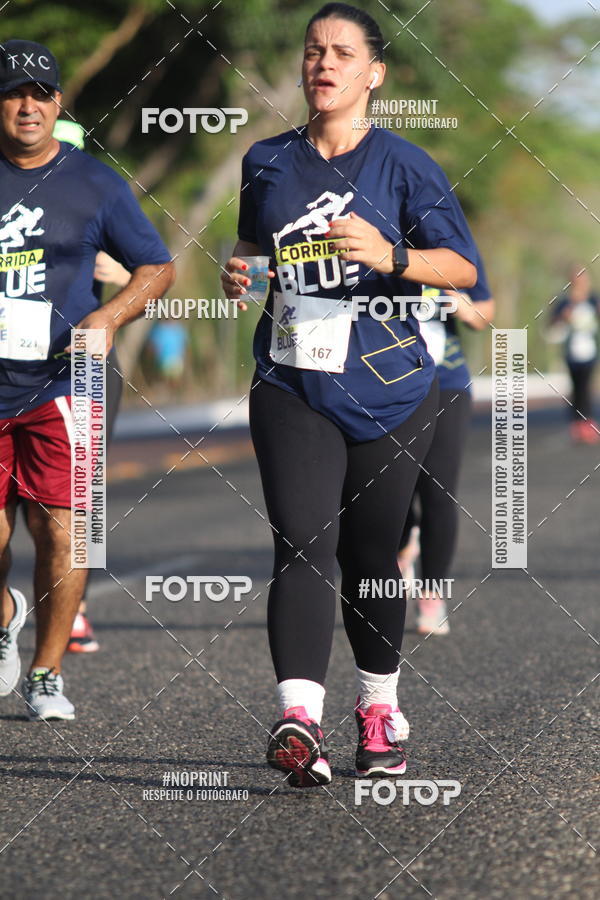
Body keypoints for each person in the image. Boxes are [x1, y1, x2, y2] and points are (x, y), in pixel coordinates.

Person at [221, 3, 477, 786]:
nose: (322, 63)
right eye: (312, 51)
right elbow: (248, 243)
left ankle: (378, 707)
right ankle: (299, 718)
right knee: (301, 541)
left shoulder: (407, 166)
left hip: (394, 390)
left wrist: (394, 254)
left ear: (374, 74)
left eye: (340, 52)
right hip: (292, 380)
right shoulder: (266, 161)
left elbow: (463, 270)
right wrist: (238, 272)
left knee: (370, 555)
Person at [0, 39, 175, 719]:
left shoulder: (95, 183)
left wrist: (108, 316)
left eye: (41, 95)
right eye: (14, 92)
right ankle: (9, 610)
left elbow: (156, 267)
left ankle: (46, 671)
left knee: (62, 533)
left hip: (60, 385)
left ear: (59, 104)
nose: (28, 106)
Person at [52, 118, 132, 652]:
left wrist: (119, 275)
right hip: (17, 364)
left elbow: (148, 272)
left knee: (83, 489)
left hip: (88, 365)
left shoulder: (100, 202)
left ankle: (74, 603)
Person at [397, 255, 495, 635]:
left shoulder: (451, 248)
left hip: (447, 382)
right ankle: (403, 546)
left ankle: (432, 594)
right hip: (388, 382)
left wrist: (463, 306)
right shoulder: (376, 243)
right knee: (392, 487)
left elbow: (484, 313)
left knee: (438, 490)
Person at [550, 266, 599, 444]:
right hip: (571, 353)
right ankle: (576, 424)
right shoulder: (564, 302)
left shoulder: (593, 299)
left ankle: (587, 422)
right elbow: (552, 323)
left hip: (590, 351)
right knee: (576, 388)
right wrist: (564, 316)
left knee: (586, 388)